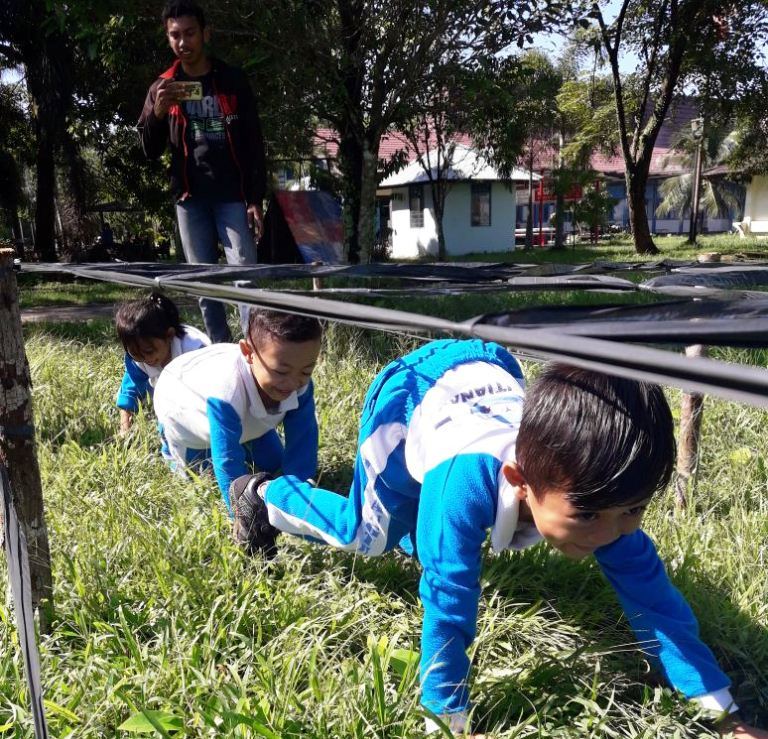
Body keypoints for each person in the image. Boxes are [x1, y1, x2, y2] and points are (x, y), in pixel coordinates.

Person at [229, 338, 766, 738]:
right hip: (412, 394)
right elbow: (449, 598)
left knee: (438, 534)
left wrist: (724, 717)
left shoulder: (600, 490)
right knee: (368, 535)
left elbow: (655, 600)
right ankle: (264, 494)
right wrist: (448, 720)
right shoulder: (464, 484)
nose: (613, 533)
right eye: (589, 518)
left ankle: (425, 528)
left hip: (488, 368)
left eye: (635, 510)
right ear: (520, 481)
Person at [137, 0, 267, 343]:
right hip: (189, 199)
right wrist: (158, 114)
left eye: (190, 33)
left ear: (205, 33)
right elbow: (148, 150)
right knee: (202, 282)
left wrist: (256, 198)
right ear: (168, 39)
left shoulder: (232, 81)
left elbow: (255, 142)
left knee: (245, 276)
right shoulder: (161, 87)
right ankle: (221, 353)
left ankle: (253, 349)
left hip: (234, 196)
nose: (183, 42)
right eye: (175, 35)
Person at [153, 309, 322, 512]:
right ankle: (168, 444)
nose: (294, 382)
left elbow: (303, 441)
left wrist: (299, 500)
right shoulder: (226, 392)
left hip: (249, 423)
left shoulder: (297, 383)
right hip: (180, 407)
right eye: (281, 371)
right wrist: (243, 516)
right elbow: (227, 461)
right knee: (204, 479)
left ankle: (249, 436)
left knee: (273, 464)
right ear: (248, 353)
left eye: (306, 371)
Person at [115, 292, 210, 434]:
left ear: (170, 335)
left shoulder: (195, 351)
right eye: (135, 354)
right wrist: (124, 428)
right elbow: (130, 390)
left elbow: (211, 394)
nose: (146, 360)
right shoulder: (138, 356)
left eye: (149, 351)